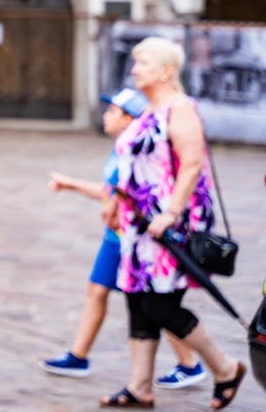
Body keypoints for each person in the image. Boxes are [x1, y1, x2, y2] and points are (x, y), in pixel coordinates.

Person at [99, 37, 246, 410]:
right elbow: (133, 165)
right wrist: (117, 201)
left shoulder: (180, 109)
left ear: (166, 71)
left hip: (169, 225)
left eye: (143, 63)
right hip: (139, 224)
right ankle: (140, 387)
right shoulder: (149, 110)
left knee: (161, 305)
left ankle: (225, 368)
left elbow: (192, 164)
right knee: (136, 299)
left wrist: (172, 213)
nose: (134, 69)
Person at [41, 87, 204, 389]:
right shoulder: (121, 147)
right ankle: (79, 355)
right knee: (98, 290)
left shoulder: (135, 150)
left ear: (129, 118)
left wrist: (74, 185)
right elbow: (110, 192)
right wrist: (71, 185)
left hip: (130, 237)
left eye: (112, 111)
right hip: (114, 236)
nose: (105, 116)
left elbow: (125, 194)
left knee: (153, 301)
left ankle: (190, 363)